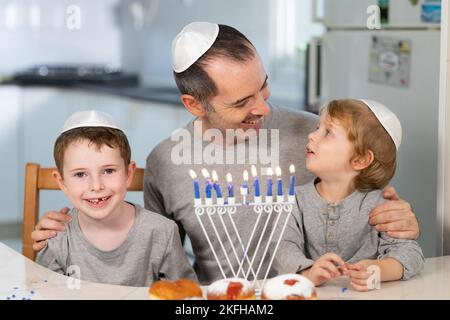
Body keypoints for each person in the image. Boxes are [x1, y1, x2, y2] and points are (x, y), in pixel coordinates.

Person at [31, 22, 420, 285]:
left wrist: (395, 217)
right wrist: (72, 230)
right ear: (195, 104)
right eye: (242, 101)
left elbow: (368, 204)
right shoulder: (167, 163)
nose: (265, 109)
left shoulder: (315, 136)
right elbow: (153, 250)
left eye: (263, 87)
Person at [36, 110, 196, 286]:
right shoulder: (57, 238)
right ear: (62, 182)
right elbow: (44, 292)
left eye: (109, 171)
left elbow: (187, 295)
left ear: (128, 174)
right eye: (80, 174)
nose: (96, 186)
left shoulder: (161, 232)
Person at [277, 99, 424, 291]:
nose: (311, 135)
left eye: (327, 132)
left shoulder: (380, 206)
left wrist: (379, 270)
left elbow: (411, 254)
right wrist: (309, 272)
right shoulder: (294, 199)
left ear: (360, 159)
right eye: (317, 128)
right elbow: (283, 247)